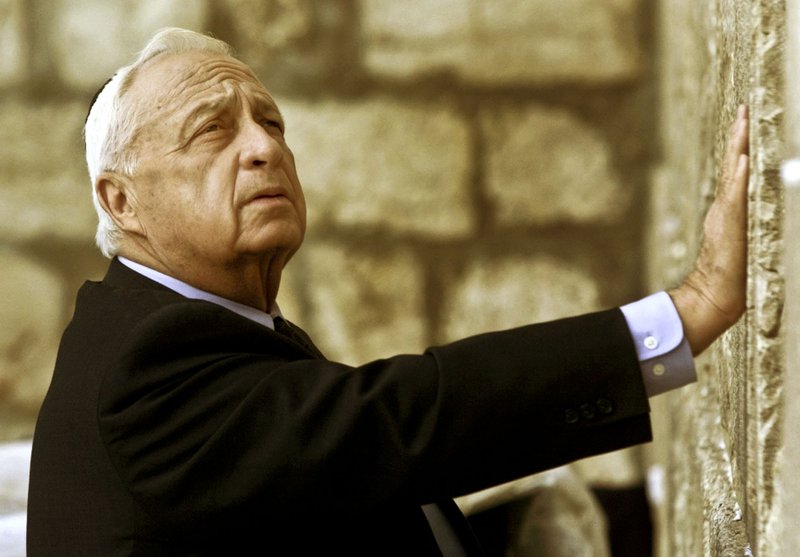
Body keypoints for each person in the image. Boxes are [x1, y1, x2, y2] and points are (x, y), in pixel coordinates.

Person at [26, 27, 749, 556]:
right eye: (211, 131)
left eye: (271, 121)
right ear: (121, 202)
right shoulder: (143, 367)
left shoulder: (199, 327)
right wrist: (680, 317)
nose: (264, 147)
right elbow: (396, 421)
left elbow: (351, 483)